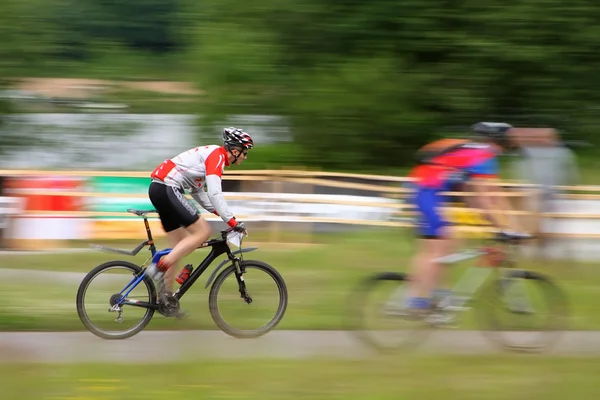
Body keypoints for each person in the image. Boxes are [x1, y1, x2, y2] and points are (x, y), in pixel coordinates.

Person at [404, 122, 530, 311]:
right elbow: (487, 200)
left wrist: (511, 227)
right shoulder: (483, 156)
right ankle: (416, 299)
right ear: (500, 140)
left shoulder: (477, 154)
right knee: (435, 247)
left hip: (430, 189)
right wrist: (505, 229)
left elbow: (492, 196)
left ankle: (440, 294)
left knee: (452, 240)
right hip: (426, 190)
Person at [147, 127, 253, 302]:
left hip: (159, 188)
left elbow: (197, 192)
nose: (245, 157)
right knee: (203, 232)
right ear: (235, 150)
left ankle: (164, 299)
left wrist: (221, 214)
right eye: (245, 152)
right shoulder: (217, 157)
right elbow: (215, 193)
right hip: (167, 187)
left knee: (179, 246)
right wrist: (232, 222)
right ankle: (160, 267)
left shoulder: (211, 154)